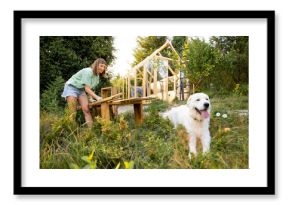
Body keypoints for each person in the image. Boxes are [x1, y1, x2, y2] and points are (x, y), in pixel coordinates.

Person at [61, 58, 107, 128]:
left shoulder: (97, 77)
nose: (102, 68)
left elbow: (89, 88)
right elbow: (87, 89)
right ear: (96, 65)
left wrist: (90, 98)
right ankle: (70, 131)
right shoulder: (88, 72)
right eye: (101, 66)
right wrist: (97, 97)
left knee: (86, 110)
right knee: (72, 112)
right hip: (71, 87)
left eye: (104, 67)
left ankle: (91, 131)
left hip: (81, 89)